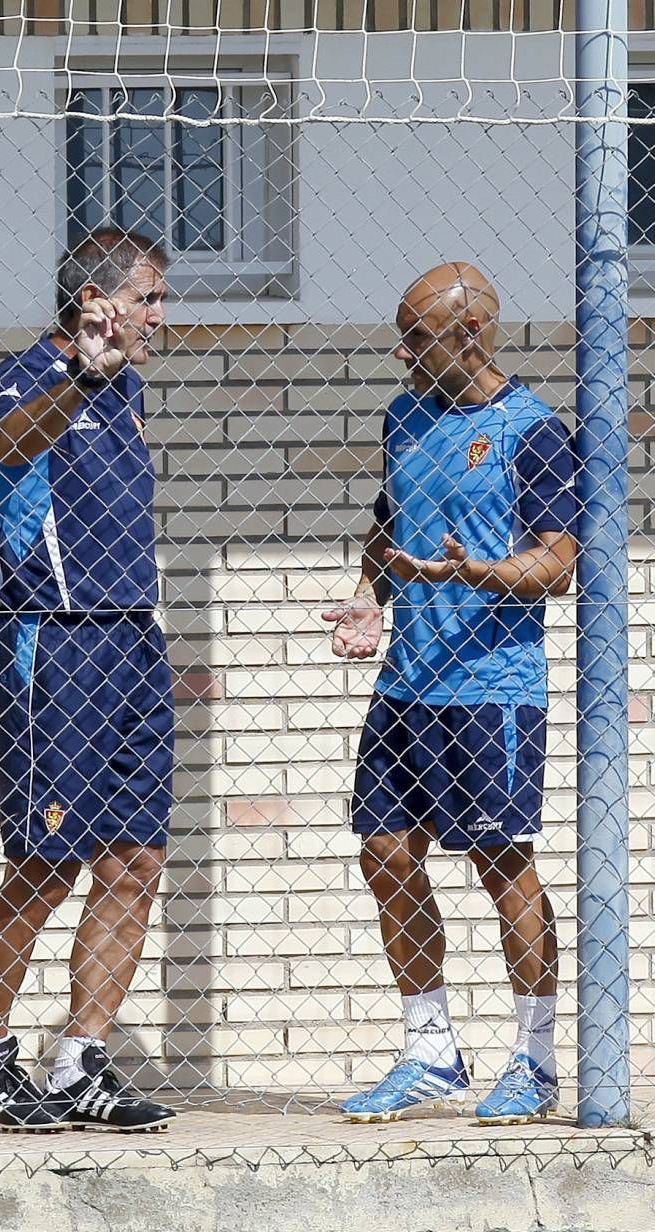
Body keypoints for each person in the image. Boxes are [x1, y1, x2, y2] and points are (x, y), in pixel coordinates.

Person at [324, 262, 577, 1125]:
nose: (402, 352)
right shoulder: (404, 414)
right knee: (385, 853)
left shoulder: (533, 431)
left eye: (417, 336)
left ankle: (536, 1061)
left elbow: (557, 562)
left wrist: (483, 573)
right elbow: (390, 523)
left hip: (491, 688)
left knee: (503, 864)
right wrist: (368, 595)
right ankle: (431, 1052)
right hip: (408, 685)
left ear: (471, 333)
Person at [0, 228, 176, 1131]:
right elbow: (12, 444)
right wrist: (80, 378)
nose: (164, 315)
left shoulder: (122, 384)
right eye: (152, 298)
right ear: (100, 301)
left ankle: (80, 1063)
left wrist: (103, 377)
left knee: (135, 861)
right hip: (56, 644)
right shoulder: (29, 379)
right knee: (45, 866)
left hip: (133, 639)